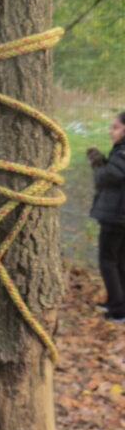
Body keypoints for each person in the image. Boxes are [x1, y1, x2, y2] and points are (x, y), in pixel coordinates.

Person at [86, 110, 125, 323]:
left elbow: (108, 176)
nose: (111, 131)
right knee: (119, 261)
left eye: (115, 127)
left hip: (117, 216)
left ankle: (118, 310)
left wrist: (97, 163)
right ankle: (117, 303)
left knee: (107, 261)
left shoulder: (123, 153)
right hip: (119, 216)